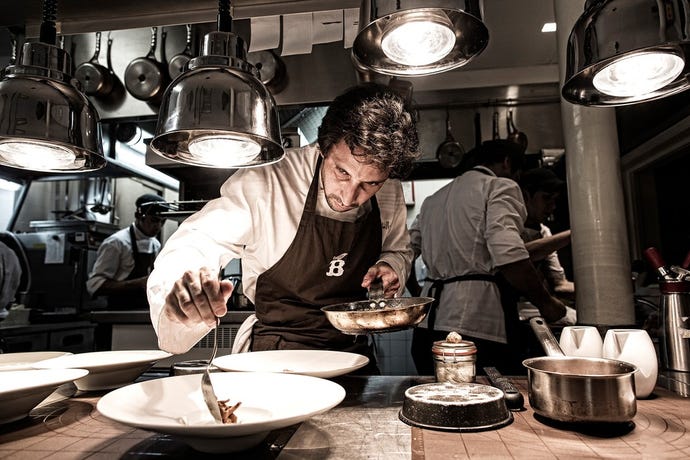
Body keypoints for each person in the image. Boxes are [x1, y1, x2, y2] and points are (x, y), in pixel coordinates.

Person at [146, 83, 420, 372]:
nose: (349, 196)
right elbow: (199, 239)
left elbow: (398, 249)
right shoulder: (269, 180)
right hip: (274, 359)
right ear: (323, 148)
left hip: (352, 358)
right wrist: (185, 284)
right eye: (342, 172)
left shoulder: (390, 192)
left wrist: (390, 266)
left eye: (370, 184)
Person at [410, 139, 576, 376]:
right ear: (507, 163)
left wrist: (418, 293)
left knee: (435, 399)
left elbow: (407, 252)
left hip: (427, 326)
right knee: (485, 399)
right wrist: (546, 304)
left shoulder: (432, 200)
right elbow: (508, 254)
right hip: (475, 325)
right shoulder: (499, 187)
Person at [87, 194, 167, 309]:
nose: (158, 226)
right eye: (154, 220)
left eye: (162, 222)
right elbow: (95, 285)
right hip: (118, 312)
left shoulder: (155, 244)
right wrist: (138, 284)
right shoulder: (116, 243)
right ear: (139, 216)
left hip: (142, 310)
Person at [519, 167, 574, 299]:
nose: (552, 206)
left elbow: (559, 284)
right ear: (526, 197)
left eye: (554, 200)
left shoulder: (544, 231)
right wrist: (575, 234)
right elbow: (518, 255)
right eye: (546, 198)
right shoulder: (508, 226)